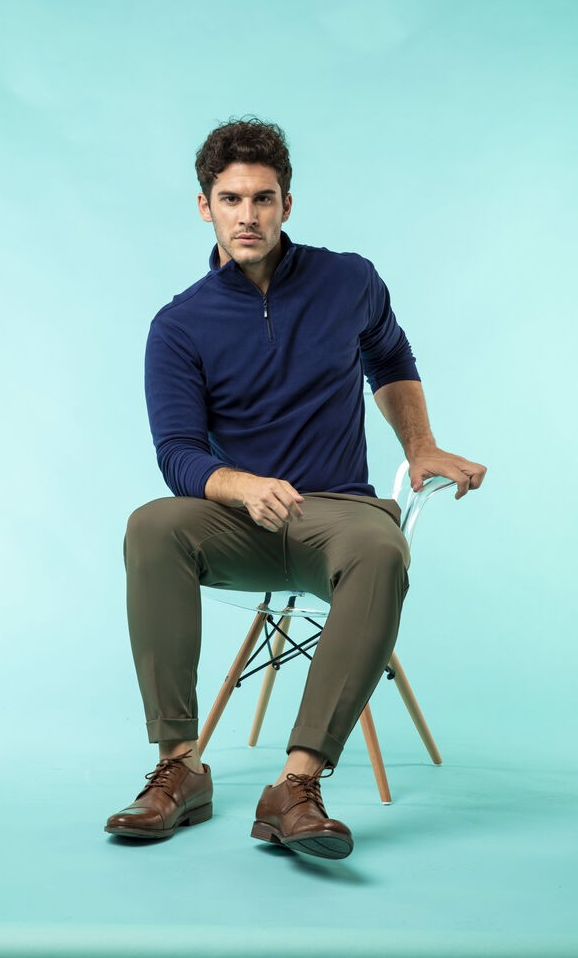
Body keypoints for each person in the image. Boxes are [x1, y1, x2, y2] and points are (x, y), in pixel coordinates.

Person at [105, 117, 486, 860]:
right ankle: (179, 770)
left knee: (382, 549)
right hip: (237, 523)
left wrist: (422, 446)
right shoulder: (179, 324)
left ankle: (296, 786)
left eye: (263, 198)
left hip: (338, 513)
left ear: (287, 203)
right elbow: (178, 454)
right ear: (205, 207)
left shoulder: (349, 280)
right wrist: (241, 485)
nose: (247, 215)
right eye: (231, 199)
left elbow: (390, 357)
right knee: (151, 524)